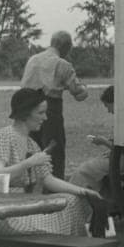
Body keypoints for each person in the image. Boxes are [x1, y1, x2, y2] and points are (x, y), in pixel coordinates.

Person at [0, 88, 123, 247]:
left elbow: (48, 180)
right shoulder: (6, 136)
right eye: (41, 113)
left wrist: (84, 191)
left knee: (74, 202)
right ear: (25, 113)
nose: (45, 118)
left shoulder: (30, 143)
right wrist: (28, 162)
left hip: (20, 209)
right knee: (67, 222)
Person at [20, 30, 89, 179]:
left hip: (28, 107)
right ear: (66, 47)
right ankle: (54, 186)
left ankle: (31, 182)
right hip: (51, 108)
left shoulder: (33, 60)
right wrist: (84, 88)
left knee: (32, 147)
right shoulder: (63, 64)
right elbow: (78, 94)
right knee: (54, 148)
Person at [68, 85, 117, 237]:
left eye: (108, 106)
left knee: (83, 172)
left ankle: (74, 217)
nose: (108, 111)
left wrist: (104, 142)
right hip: (118, 157)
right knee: (86, 170)